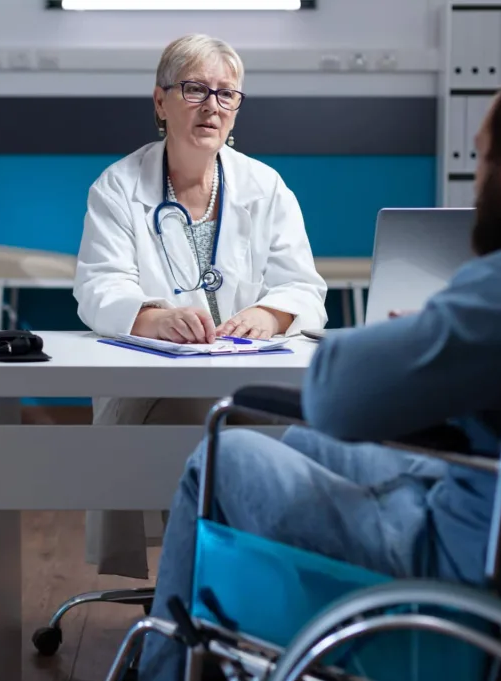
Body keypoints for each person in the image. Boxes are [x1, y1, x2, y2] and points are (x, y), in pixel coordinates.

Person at [139, 57, 501, 681]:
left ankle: (165, 672)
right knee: (307, 443)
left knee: (225, 454)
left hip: (478, 579)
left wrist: (417, 332)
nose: (480, 181)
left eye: (481, 160)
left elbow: (335, 395)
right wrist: (443, 343)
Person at [73, 34, 328, 579]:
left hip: (247, 377)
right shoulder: (118, 187)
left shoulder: (267, 187)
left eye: (226, 94)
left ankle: (243, 594)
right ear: (160, 101)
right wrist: (154, 317)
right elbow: (98, 288)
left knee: (282, 436)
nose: (212, 105)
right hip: (153, 383)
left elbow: (304, 288)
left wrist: (271, 314)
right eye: (195, 89)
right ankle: (204, 600)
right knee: (205, 433)